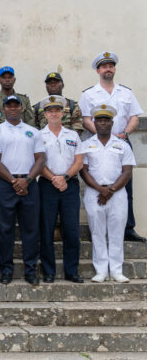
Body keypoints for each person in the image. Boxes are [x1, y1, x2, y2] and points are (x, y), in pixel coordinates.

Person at [79, 52, 145, 243]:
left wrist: (123, 134)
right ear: (98, 70)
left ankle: (127, 229)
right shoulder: (89, 94)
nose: (108, 69)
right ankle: (99, 228)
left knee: (126, 187)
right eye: (104, 66)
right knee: (96, 182)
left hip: (122, 141)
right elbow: (85, 120)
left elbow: (134, 117)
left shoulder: (126, 92)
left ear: (114, 69)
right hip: (97, 144)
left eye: (111, 65)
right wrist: (102, 134)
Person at [0, 95, 45, 285]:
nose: (12, 108)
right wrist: (13, 181)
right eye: (8, 105)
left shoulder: (33, 131)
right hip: (5, 184)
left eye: (16, 105)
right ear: (3, 109)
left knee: (31, 229)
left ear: (21, 108)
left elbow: (41, 159)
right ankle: (6, 270)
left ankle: (30, 270)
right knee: (5, 229)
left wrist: (26, 180)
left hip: (29, 183)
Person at [79, 104, 136, 283]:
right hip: (94, 192)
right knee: (97, 232)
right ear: (94, 123)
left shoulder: (122, 145)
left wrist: (110, 190)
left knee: (117, 232)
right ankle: (101, 270)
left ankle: (117, 270)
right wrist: (100, 189)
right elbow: (83, 171)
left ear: (112, 123)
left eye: (106, 120)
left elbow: (127, 172)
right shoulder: (86, 145)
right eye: (100, 120)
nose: (103, 123)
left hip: (117, 193)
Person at [37, 95, 84, 283]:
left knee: (71, 229)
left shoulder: (72, 135)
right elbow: (37, 162)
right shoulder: (39, 136)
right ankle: (49, 271)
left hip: (69, 185)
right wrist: (54, 178)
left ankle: (71, 271)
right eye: (50, 110)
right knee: (46, 229)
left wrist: (64, 177)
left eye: (57, 110)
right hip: (47, 185)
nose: (54, 113)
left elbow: (79, 161)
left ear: (63, 113)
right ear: (45, 114)